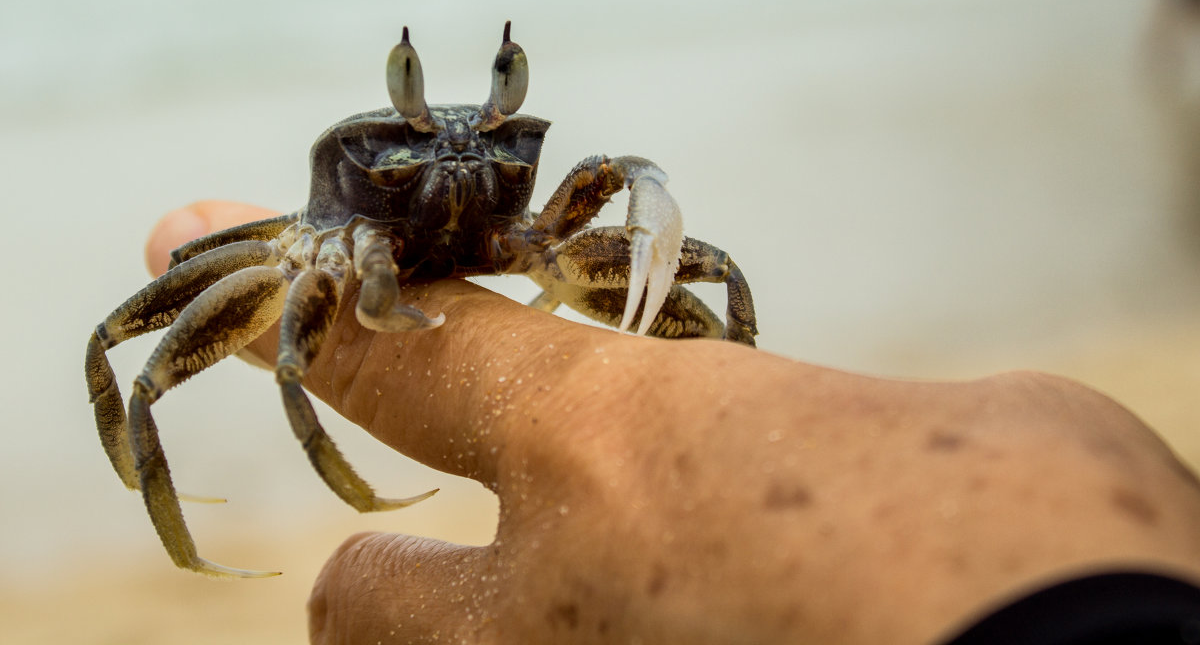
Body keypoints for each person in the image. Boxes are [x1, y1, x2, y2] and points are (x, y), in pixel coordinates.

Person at [146, 201, 1200, 645]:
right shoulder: (314, 234)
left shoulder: (535, 207)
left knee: (706, 282)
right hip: (341, 255)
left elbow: (666, 228)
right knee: (171, 353)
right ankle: (200, 529)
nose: (458, 174)